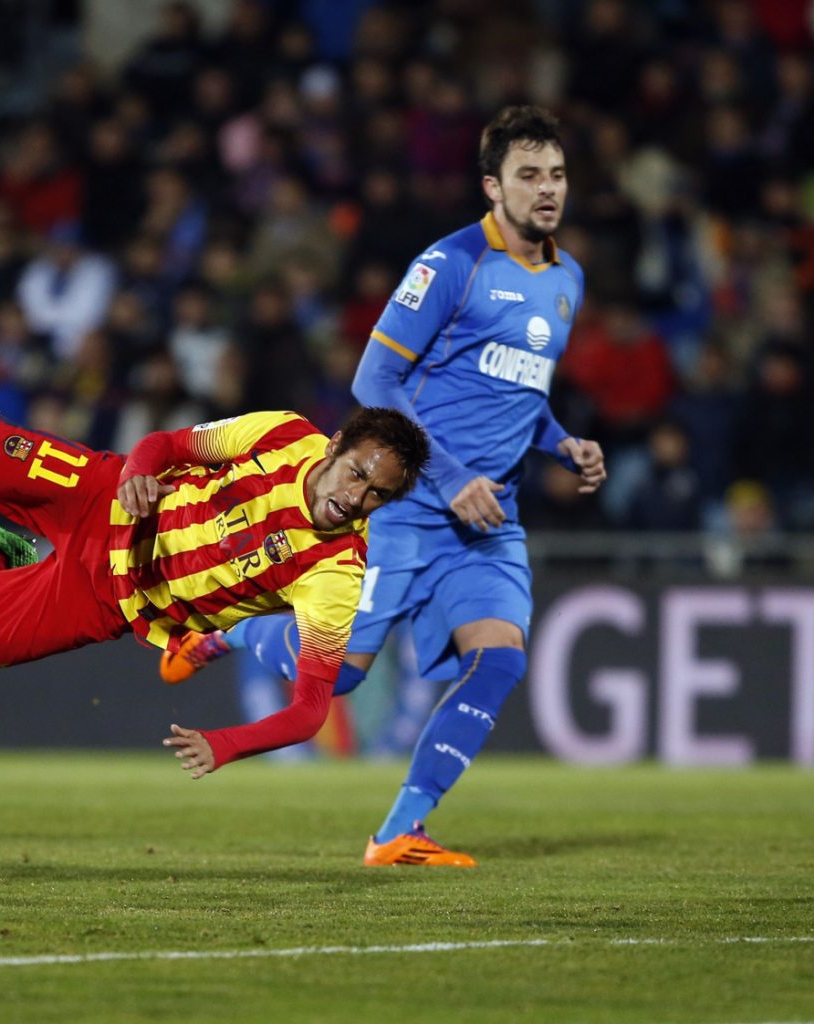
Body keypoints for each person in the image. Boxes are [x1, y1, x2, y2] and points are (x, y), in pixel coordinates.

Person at [159, 106, 606, 866]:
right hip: (410, 508)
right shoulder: (451, 265)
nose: (548, 190)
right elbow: (375, 377)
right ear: (492, 185)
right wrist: (453, 474)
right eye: (529, 175)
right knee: (339, 678)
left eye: (557, 174)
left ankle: (400, 827)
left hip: (490, 520)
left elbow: (517, 393)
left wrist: (562, 442)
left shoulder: (567, 279)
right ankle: (224, 631)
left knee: (499, 658)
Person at [0, 281, 430, 777]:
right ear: (337, 445)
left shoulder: (335, 574)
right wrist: (136, 472)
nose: (356, 496)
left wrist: (226, 745)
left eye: (378, 494)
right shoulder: (284, 435)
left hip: (109, 598)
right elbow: (168, 446)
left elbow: (311, 711)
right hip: (100, 494)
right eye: (356, 473)